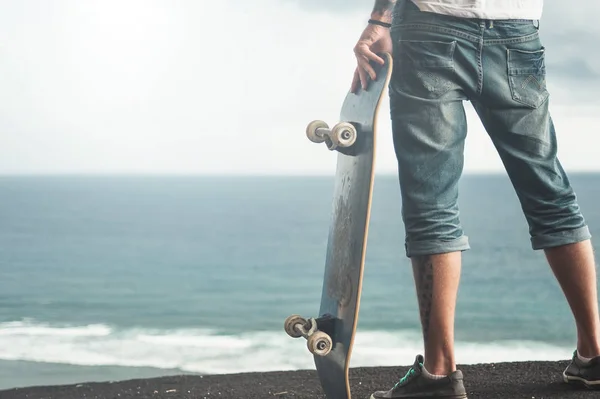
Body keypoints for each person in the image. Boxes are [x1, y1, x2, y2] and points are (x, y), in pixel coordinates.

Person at [351, 0, 600, 397]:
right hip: (516, 27)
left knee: (432, 206)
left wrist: (380, 19)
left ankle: (438, 375)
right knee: (550, 194)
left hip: (430, 25)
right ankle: (595, 355)